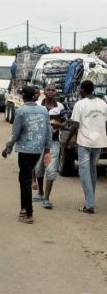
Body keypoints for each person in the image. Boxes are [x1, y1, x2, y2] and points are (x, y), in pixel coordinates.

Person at [2, 86, 52, 224]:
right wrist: (47, 149)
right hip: (37, 151)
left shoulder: (21, 111)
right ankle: (24, 208)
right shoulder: (43, 111)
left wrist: (7, 148)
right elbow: (48, 131)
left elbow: (15, 133)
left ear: (23, 97)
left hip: (25, 151)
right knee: (24, 177)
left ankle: (27, 213)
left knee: (25, 181)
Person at [63, 80, 107, 214]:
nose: (79, 91)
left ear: (83, 90)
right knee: (92, 170)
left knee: (84, 172)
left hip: (85, 143)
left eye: (80, 89)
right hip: (99, 142)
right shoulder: (103, 103)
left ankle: (89, 204)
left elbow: (75, 125)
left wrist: (68, 141)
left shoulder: (80, 104)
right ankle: (90, 199)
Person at [33, 84, 65, 209]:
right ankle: (40, 193)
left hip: (53, 143)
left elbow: (64, 122)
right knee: (38, 168)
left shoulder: (60, 107)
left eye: (53, 90)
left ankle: (46, 198)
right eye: (48, 90)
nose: (51, 92)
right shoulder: (37, 105)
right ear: (44, 92)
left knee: (51, 170)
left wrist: (58, 124)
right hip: (38, 142)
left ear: (56, 92)